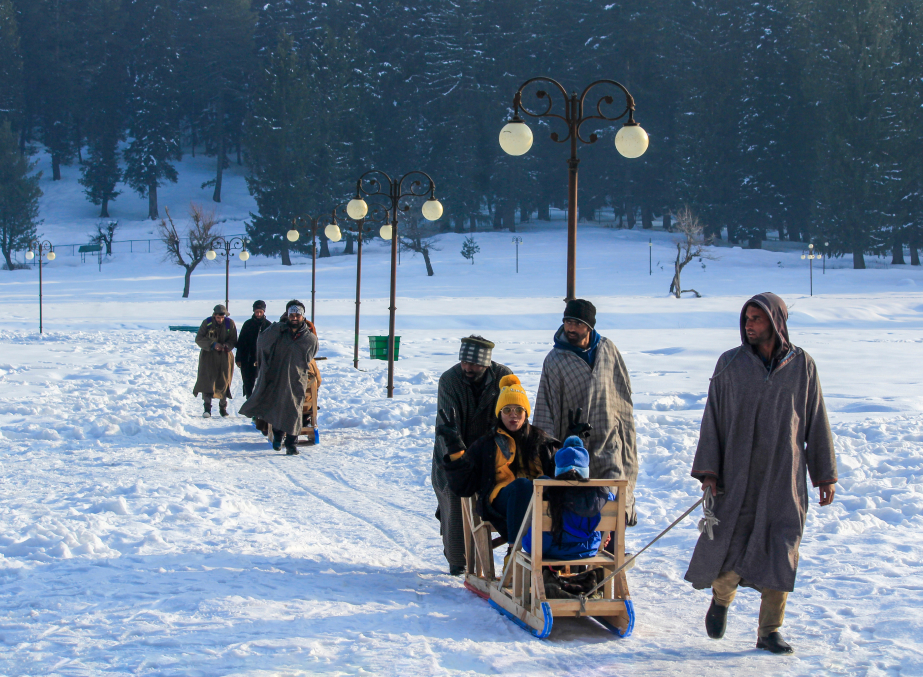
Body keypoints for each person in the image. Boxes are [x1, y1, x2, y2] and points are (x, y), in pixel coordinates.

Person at [684, 292, 837, 655]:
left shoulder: (803, 366)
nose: (749, 325)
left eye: (757, 319)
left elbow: (815, 420)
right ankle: (722, 600)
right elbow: (713, 420)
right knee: (732, 547)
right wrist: (709, 471)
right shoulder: (730, 364)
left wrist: (825, 474)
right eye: (747, 319)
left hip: (785, 479)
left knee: (781, 550)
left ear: (776, 322)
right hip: (737, 478)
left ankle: (769, 631)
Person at [533, 299, 639, 527]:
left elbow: (621, 396)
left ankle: (609, 556)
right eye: (567, 322)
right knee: (575, 504)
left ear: (589, 327)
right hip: (571, 447)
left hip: (607, 441)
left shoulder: (607, 350)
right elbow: (545, 405)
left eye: (577, 323)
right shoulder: (555, 360)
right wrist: (547, 449)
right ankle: (578, 557)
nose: (570, 328)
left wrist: (623, 433)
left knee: (613, 498)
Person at [440, 374, 558, 560]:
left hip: (540, 501)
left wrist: (574, 444)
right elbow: (464, 486)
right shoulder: (486, 444)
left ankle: (564, 559)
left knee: (547, 483)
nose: (513, 414)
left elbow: (561, 473)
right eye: (507, 409)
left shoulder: (542, 441)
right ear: (499, 413)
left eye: (518, 409)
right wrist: (455, 449)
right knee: (522, 486)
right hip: (501, 502)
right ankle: (514, 554)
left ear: (526, 413)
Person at [431, 336, 512, 576]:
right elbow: (448, 425)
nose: (467, 368)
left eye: (474, 364)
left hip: (493, 456)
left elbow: (511, 415)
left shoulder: (503, 377)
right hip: (455, 455)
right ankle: (458, 561)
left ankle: (514, 553)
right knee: (456, 502)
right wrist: (461, 460)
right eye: (464, 362)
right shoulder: (450, 380)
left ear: (486, 364)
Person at [239, 300, 318, 455]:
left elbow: (311, 354)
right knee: (278, 406)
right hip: (277, 375)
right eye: (291, 315)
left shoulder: (309, 338)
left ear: (302, 316)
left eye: (297, 315)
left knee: (295, 409)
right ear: (287, 316)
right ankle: (278, 436)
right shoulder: (278, 333)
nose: (294, 318)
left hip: (296, 379)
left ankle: (291, 444)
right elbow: (261, 342)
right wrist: (276, 328)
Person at [522, 436, 614, 561]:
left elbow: (537, 543)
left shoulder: (547, 493)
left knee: (530, 541)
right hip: (588, 549)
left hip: (553, 550)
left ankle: (549, 574)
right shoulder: (603, 494)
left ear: (558, 470)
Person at [193, 304, 238, 418]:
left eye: (222, 317)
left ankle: (223, 408)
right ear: (214, 315)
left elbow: (233, 339)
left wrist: (226, 346)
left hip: (224, 357)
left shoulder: (230, 324)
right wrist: (212, 345)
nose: (220, 319)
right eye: (218, 317)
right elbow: (199, 339)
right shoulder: (207, 323)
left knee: (224, 381)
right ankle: (207, 408)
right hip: (208, 357)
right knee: (207, 381)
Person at [236, 300, 272, 399]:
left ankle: (259, 406)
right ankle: (249, 402)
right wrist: (238, 358)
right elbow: (241, 342)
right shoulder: (247, 324)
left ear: (264, 311)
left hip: (262, 359)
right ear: (254, 311)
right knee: (248, 382)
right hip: (247, 358)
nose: (259, 314)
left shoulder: (269, 326)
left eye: (260, 311)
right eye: (257, 312)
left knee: (261, 383)